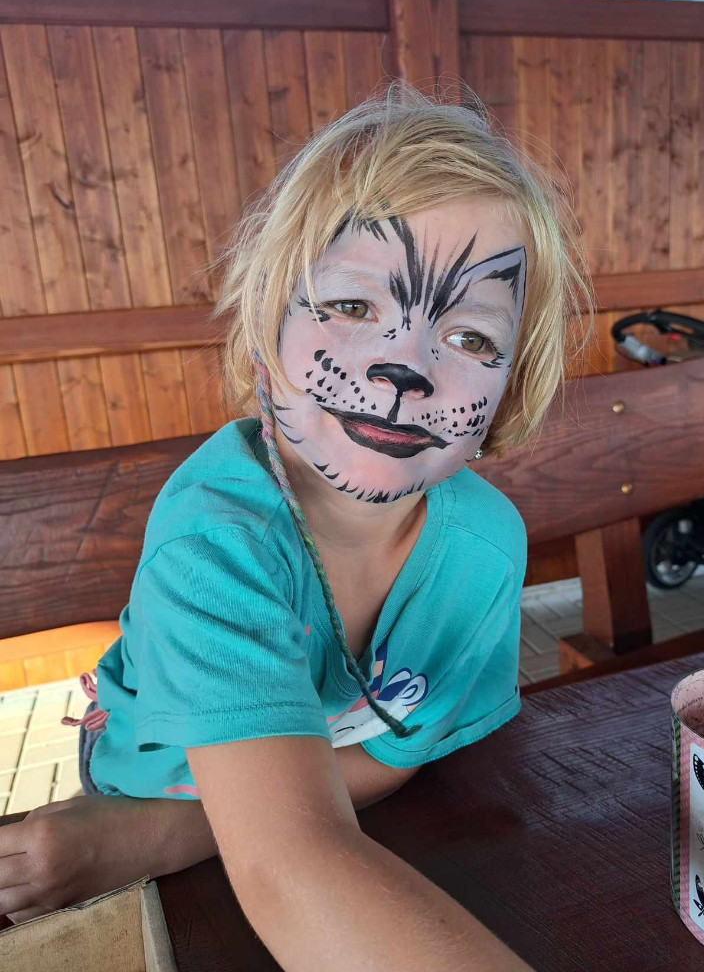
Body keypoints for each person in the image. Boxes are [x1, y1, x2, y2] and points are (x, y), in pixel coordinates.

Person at [0, 82, 592, 970]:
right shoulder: (217, 543)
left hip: (262, 815)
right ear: (262, 327)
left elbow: (398, 755)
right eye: (352, 307)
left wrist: (144, 841)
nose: (404, 367)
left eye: (471, 338)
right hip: (147, 772)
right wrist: (150, 826)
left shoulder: (484, 550)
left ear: (513, 385)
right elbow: (290, 868)